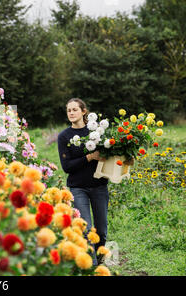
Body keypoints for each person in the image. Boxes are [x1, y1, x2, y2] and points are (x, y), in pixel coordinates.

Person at [57, 98, 108, 266]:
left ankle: (99, 262)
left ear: (84, 111)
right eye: (68, 110)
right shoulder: (64, 136)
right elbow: (67, 167)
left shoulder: (97, 131)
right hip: (77, 188)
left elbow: (109, 153)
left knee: (101, 231)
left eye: (74, 110)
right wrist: (89, 157)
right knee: (86, 230)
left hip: (99, 186)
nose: (71, 113)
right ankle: (91, 267)